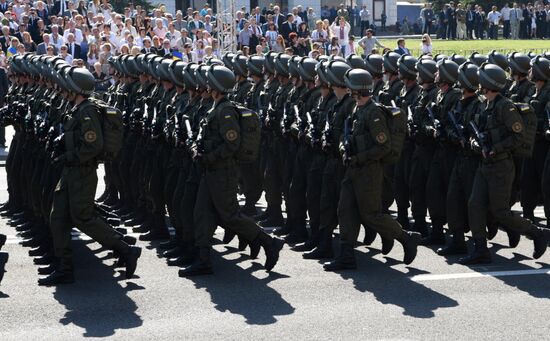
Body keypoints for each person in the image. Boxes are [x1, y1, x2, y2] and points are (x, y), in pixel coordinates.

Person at [39, 67, 142, 285]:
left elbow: (93, 145)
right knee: (58, 217)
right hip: (71, 171)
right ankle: (64, 267)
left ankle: (125, 249)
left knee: (83, 217)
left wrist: (69, 156)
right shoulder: (77, 108)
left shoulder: (87, 112)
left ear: (76, 88)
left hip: (81, 172)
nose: (63, 89)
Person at [178, 64, 284, 277]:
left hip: (222, 172)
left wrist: (208, 156)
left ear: (217, 86)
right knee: (202, 214)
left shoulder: (225, 112)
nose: (206, 86)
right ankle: (204, 259)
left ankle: (269, 242)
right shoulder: (216, 107)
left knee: (230, 216)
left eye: (210, 83)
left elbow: (231, 145)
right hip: (211, 170)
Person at [460, 63, 547, 265]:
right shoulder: (485, 104)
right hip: (485, 164)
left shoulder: (504, 106)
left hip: (501, 166)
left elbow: (518, 135)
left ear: (487, 83)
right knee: (475, 205)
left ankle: (537, 233)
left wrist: (495, 148)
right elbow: (478, 132)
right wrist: (475, 143)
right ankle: (480, 249)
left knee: (500, 212)